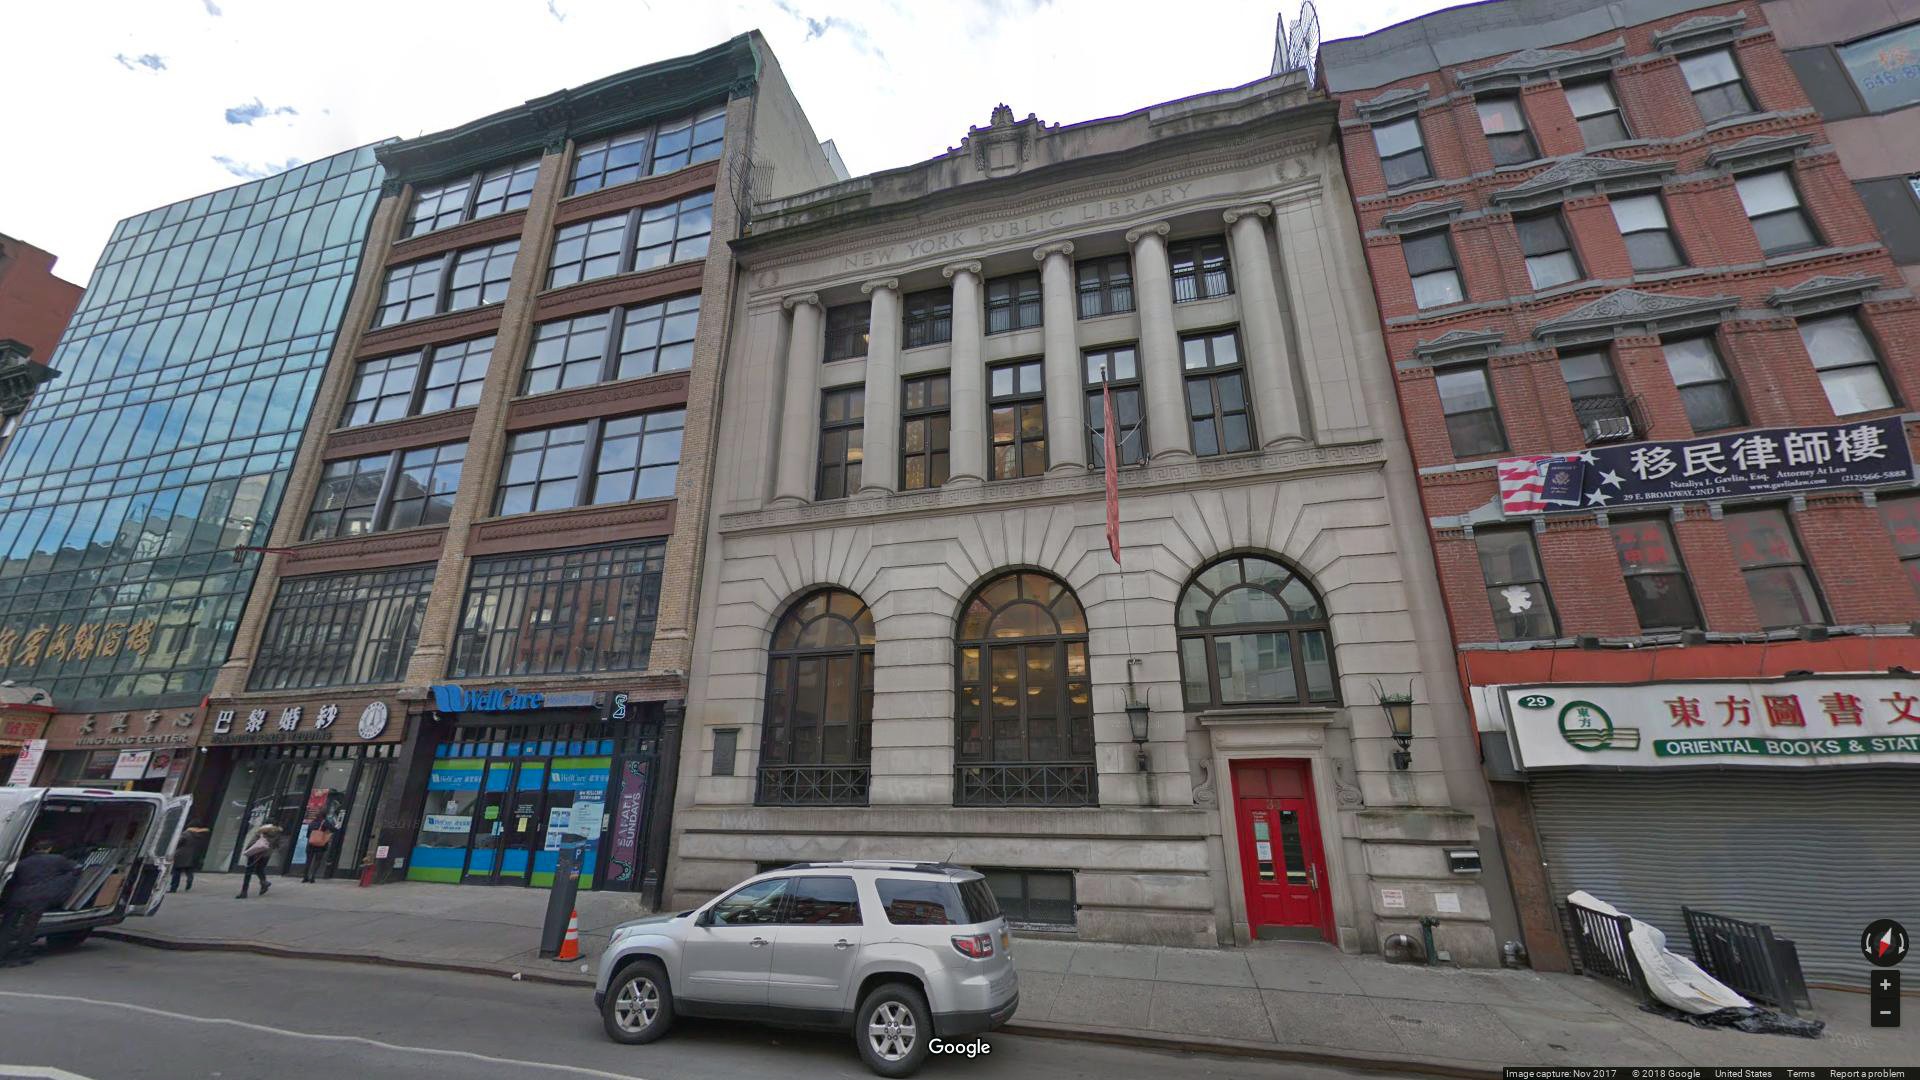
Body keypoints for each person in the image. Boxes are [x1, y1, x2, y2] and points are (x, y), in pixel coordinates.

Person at [0, 840, 82, 967]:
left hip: (18, 897)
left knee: (8, 926)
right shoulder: (57, 859)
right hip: (38, 897)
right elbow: (76, 868)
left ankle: (2, 954)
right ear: (49, 849)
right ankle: (21, 954)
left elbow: (12, 881)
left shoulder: (22, 863)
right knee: (28, 926)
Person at [235, 823, 282, 899]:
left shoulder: (262, 831)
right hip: (266, 854)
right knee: (259, 869)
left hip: (255, 853)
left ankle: (244, 892)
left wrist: (248, 850)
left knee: (248, 872)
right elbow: (277, 845)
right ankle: (264, 883)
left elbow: (252, 842)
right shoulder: (277, 833)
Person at [170, 825, 211, 893]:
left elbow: (178, 842)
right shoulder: (200, 836)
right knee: (189, 870)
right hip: (192, 856)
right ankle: (189, 880)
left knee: (176, 872)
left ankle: (173, 888)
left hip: (181, 855)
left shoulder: (186, 834)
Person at [300, 818, 334, 883]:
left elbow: (308, 835)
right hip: (320, 845)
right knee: (317, 861)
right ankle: (312, 876)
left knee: (308, 861)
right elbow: (333, 829)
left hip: (311, 844)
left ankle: (305, 877)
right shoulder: (325, 822)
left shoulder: (312, 823)